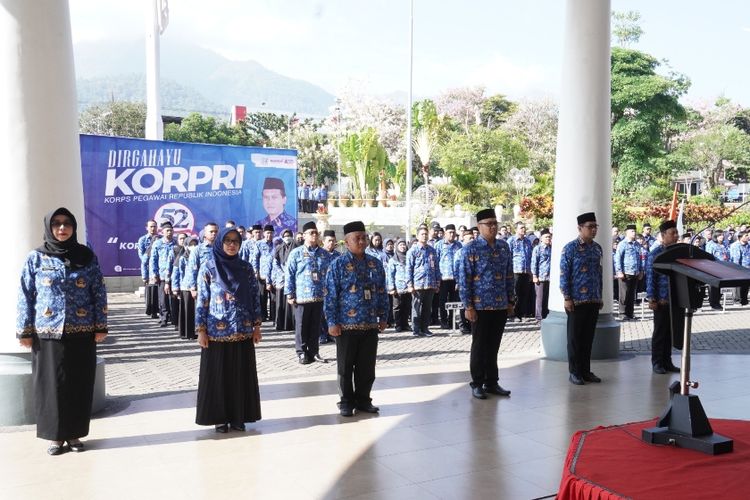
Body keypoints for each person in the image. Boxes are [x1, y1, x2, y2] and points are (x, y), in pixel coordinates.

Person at [17, 208, 107, 455]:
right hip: (47, 333)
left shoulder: (86, 256)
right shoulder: (36, 258)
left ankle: (75, 434)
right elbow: (26, 294)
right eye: (56, 224)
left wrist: (101, 325)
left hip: (82, 330)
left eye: (67, 223)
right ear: (49, 227)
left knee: (79, 383)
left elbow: (98, 290)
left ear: (73, 227)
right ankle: (55, 436)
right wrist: (24, 330)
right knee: (52, 385)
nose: (61, 228)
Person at [195, 227, 262, 433]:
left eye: (236, 241)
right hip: (217, 333)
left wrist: (257, 326)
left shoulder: (246, 268)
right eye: (228, 241)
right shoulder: (208, 268)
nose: (232, 245)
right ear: (220, 243)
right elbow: (202, 300)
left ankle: (238, 417)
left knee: (240, 376)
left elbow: (254, 297)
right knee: (218, 377)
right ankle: (220, 418)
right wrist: (201, 330)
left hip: (242, 330)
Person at [324, 221, 388, 417]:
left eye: (363, 237)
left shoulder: (375, 264)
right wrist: (332, 322)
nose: (361, 241)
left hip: (369, 323)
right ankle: (346, 401)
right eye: (356, 238)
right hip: (346, 325)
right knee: (345, 367)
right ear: (347, 241)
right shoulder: (338, 265)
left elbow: (382, 292)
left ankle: (363, 400)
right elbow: (330, 295)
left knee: (367, 367)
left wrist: (383, 316)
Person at [457, 208, 514, 400]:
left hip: (499, 305)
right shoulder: (470, 249)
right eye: (488, 224)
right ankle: (477, 382)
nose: (493, 227)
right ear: (479, 226)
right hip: (479, 306)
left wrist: (510, 300)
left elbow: (508, 275)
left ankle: (492, 382)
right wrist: (468, 306)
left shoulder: (504, 247)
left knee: (494, 345)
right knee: (479, 345)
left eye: (495, 223)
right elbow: (464, 279)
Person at [560, 212, 604, 385]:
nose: (593, 230)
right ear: (580, 228)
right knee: (575, 339)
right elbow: (564, 274)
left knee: (588, 338)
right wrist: (567, 297)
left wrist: (600, 296)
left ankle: (586, 371)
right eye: (590, 227)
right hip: (576, 301)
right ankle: (575, 372)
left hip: (593, 299)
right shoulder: (570, 248)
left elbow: (599, 274)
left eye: (595, 226)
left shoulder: (597, 248)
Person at [286, 222, 331, 364]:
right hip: (302, 297)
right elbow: (290, 273)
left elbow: (329, 275)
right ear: (304, 235)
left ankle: (314, 352)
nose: (314, 235)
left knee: (315, 325)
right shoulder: (296, 253)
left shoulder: (324, 254)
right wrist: (290, 293)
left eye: (316, 233)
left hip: (319, 295)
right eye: (311, 232)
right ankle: (301, 352)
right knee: (301, 326)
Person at [645, 220, 682, 374]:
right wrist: (651, 298)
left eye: (676, 233)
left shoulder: (678, 252)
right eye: (672, 233)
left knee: (670, 332)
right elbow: (650, 277)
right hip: (660, 300)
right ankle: (657, 362)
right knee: (660, 332)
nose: (676, 236)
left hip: (675, 299)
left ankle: (667, 362)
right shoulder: (655, 254)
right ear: (663, 235)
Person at [406, 225, 441, 337]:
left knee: (427, 307)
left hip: (430, 283)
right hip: (417, 284)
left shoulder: (432, 250)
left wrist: (437, 282)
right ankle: (416, 330)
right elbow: (409, 268)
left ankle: (425, 328)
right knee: (416, 307)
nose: (424, 236)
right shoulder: (413, 251)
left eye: (426, 234)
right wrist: (410, 284)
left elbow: (436, 267)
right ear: (417, 236)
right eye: (422, 234)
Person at [435, 224, 462, 329]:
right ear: (445, 233)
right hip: (443, 278)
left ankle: (452, 321)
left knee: (454, 301)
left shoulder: (459, 245)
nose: (451, 234)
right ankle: (443, 321)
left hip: (455, 278)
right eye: (449, 232)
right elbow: (436, 262)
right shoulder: (439, 245)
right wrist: (437, 278)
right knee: (442, 301)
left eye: (453, 232)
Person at [149, 221, 176, 327]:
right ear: (163, 232)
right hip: (162, 275)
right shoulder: (157, 244)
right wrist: (154, 274)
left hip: (174, 275)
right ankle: (164, 318)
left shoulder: (176, 243)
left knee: (173, 297)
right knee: (163, 298)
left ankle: (173, 317)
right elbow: (153, 260)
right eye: (167, 230)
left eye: (171, 230)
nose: (169, 232)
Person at [172, 235, 198, 339]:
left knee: (195, 311)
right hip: (186, 287)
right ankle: (187, 333)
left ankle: (195, 331)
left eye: (195, 244)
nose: (193, 246)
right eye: (191, 244)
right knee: (187, 311)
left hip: (197, 287)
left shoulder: (197, 257)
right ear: (186, 246)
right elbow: (176, 273)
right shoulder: (182, 258)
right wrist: (175, 287)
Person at [614, 224, 643, 321]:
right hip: (625, 272)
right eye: (632, 231)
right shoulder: (622, 244)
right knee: (624, 295)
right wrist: (619, 271)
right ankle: (622, 313)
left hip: (635, 272)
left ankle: (630, 313)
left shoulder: (637, 245)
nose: (634, 233)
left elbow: (640, 258)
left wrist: (641, 271)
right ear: (627, 232)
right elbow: (617, 258)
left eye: (635, 231)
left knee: (632, 294)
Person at [508, 222, 533, 322]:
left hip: (526, 271)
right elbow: (508, 256)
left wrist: (531, 272)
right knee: (515, 294)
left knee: (524, 294)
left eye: (524, 227)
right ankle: (512, 314)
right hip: (515, 271)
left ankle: (520, 314)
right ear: (516, 229)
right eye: (521, 228)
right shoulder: (511, 241)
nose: (523, 229)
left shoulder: (527, 241)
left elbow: (530, 257)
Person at [272, 229, 297, 331]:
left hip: (293, 278)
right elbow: (275, 263)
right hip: (281, 279)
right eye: (285, 235)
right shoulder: (278, 248)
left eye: (289, 235)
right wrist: (282, 273)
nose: (287, 237)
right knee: (280, 302)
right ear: (282, 237)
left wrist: (290, 273)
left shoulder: (296, 247)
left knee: (291, 302)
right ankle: (281, 324)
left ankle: (291, 324)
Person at [319, 229, 340, 345]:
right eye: (329, 241)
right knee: (322, 313)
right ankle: (322, 335)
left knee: (332, 311)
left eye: (333, 241)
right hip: (322, 288)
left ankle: (332, 334)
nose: (331, 243)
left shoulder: (338, 256)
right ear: (323, 242)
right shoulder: (319, 254)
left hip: (334, 288)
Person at [387, 239, 411, 332]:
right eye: (400, 245)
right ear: (397, 247)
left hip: (408, 287)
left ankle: (405, 324)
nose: (403, 247)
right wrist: (392, 287)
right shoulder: (393, 260)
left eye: (404, 245)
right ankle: (398, 324)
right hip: (397, 288)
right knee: (397, 307)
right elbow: (390, 275)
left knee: (407, 306)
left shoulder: (409, 258)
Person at [454, 228, 475, 334]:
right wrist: (458, 282)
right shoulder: (459, 252)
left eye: (473, 237)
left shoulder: (477, 251)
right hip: (463, 283)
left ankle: (472, 325)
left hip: (475, 283)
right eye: (469, 238)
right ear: (464, 239)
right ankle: (463, 325)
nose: (472, 240)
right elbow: (456, 269)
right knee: (463, 305)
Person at [137, 220, 159, 319]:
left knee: (159, 291)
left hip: (159, 269)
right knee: (150, 291)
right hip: (148, 269)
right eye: (151, 226)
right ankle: (151, 310)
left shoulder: (160, 239)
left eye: (154, 226)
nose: (153, 228)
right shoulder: (143, 240)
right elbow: (142, 256)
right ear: (147, 228)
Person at [254, 225, 276, 321]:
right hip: (262, 274)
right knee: (262, 296)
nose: (269, 235)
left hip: (273, 274)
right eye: (267, 233)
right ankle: (263, 315)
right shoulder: (259, 244)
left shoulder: (276, 244)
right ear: (264, 233)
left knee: (273, 296)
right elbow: (255, 258)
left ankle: (273, 315)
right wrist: (256, 271)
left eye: (271, 233)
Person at [531, 229, 552, 321]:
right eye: (546, 237)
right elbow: (534, 262)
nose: (548, 238)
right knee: (540, 299)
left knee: (547, 298)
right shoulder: (537, 249)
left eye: (549, 236)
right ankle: (539, 317)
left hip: (549, 277)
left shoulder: (552, 248)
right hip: (541, 277)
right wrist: (534, 275)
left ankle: (545, 315)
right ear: (541, 239)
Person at [706, 229, 730, 310]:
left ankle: (718, 302)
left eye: (723, 235)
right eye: (720, 235)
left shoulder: (724, 244)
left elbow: (727, 255)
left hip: (724, 268)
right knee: (714, 287)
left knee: (720, 287)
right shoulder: (711, 244)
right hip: (714, 268)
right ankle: (714, 303)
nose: (722, 237)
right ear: (716, 236)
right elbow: (708, 256)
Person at [730, 231, 750, 305]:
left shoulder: (748, 245)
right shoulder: (735, 245)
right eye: (746, 235)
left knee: (746, 285)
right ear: (740, 237)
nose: (748, 237)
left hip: (747, 267)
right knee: (738, 285)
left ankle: (744, 299)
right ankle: (737, 300)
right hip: (739, 267)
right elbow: (736, 259)